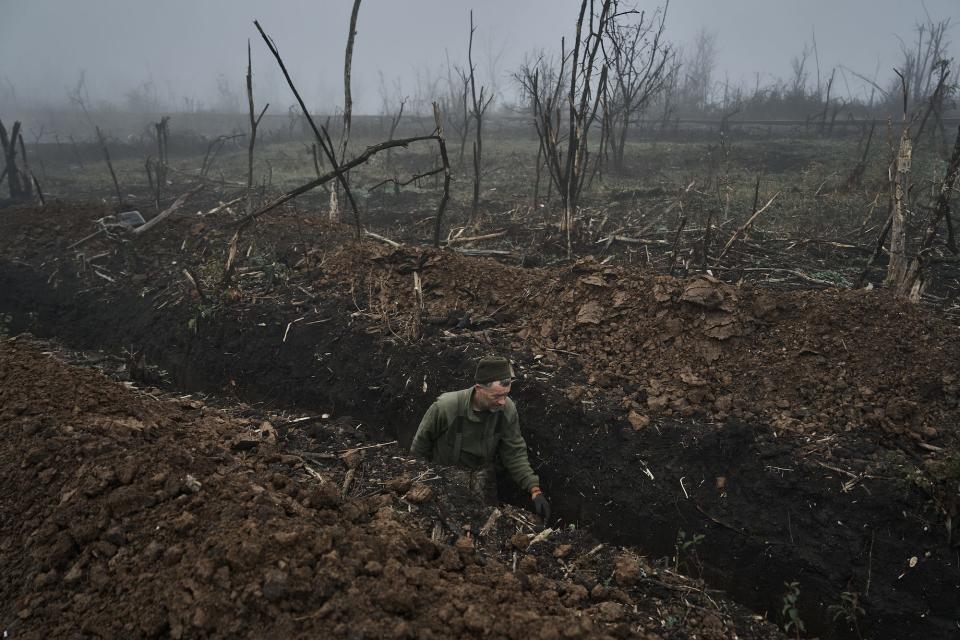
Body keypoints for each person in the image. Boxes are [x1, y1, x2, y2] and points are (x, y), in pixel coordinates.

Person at [410, 355, 551, 523]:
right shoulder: (446, 407)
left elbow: (514, 453)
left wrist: (534, 490)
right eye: (496, 396)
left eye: (506, 395)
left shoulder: (506, 410)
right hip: (445, 479)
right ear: (479, 388)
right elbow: (419, 449)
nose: (502, 402)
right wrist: (418, 483)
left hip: (482, 480)